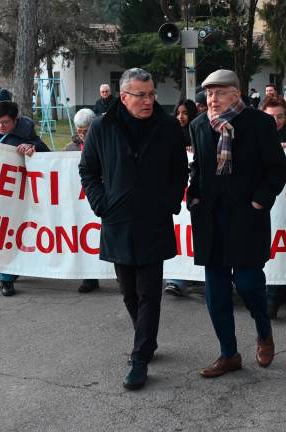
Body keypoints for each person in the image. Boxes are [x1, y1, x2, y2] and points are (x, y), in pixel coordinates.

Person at [78, 68, 189, 390]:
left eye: (152, 93)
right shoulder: (102, 127)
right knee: (128, 292)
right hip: (118, 221)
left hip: (153, 221)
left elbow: (179, 170)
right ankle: (147, 340)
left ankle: (139, 357)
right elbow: (88, 170)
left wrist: (170, 202)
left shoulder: (167, 126)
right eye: (141, 95)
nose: (149, 100)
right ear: (124, 97)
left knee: (149, 294)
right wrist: (102, 204)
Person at [187, 69, 286, 378]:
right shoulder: (199, 125)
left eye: (219, 93)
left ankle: (263, 331)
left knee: (248, 284)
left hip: (246, 217)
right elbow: (198, 167)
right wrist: (193, 194)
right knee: (215, 292)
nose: (212, 99)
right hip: (210, 219)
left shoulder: (259, 124)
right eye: (208, 94)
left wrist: (260, 200)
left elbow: (276, 169)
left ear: (236, 93)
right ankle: (229, 354)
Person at [0, 93, 50, 297]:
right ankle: (6, 273)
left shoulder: (26, 133)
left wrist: (33, 149)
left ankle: (6, 278)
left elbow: (46, 154)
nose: (0, 126)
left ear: (15, 121)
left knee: (9, 233)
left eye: (6, 123)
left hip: (17, 194)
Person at [261, 97, 286, 319]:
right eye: (270, 117)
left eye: (280, 116)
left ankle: (275, 294)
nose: (275, 121)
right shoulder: (251, 136)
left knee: (283, 244)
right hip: (265, 201)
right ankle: (274, 292)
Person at [164, 99, 199, 297]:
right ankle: (176, 278)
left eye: (185, 113)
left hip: (194, 193)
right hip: (178, 196)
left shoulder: (199, 131)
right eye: (178, 113)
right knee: (180, 236)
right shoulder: (170, 134)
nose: (180, 117)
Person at [64, 109, 101, 294]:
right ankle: (89, 277)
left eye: (86, 131)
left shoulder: (104, 144)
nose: (83, 135)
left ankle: (118, 274)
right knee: (86, 238)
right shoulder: (70, 149)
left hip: (98, 198)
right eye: (80, 131)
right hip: (80, 202)